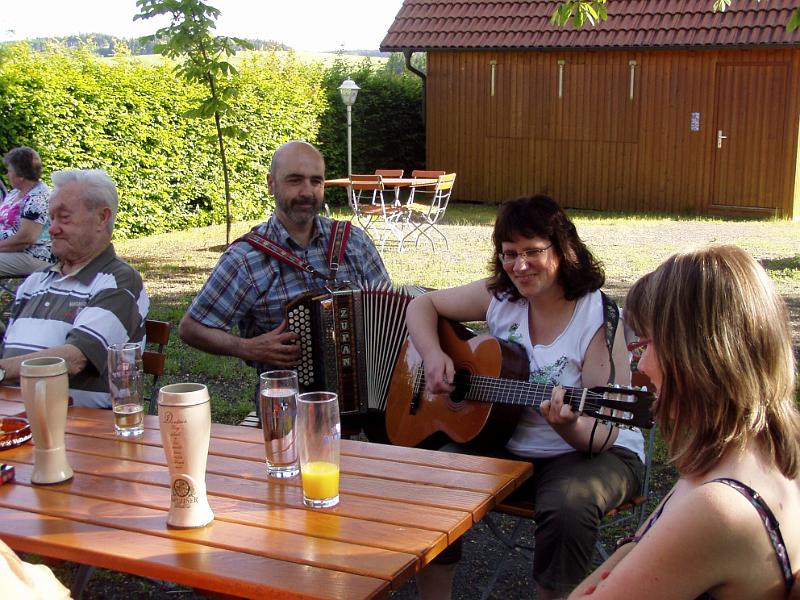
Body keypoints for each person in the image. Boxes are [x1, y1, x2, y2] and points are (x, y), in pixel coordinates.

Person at [405, 195, 645, 600]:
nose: (519, 266)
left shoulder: (597, 317)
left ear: (563, 249)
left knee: (569, 506)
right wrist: (433, 356)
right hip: (505, 443)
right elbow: (421, 304)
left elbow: (602, 432)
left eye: (532, 251)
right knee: (430, 478)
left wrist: (568, 424)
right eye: (509, 254)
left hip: (590, 454)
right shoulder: (502, 295)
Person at [570, 245, 800, 600]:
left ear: (700, 355)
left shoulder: (717, 506)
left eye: (649, 345)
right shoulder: (749, 455)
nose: (642, 367)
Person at [179, 140, 390, 430]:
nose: (307, 192)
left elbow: (389, 314)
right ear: (271, 184)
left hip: (369, 396)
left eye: (316, 181)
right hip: (289, 407)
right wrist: (247, 347)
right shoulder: (246, 258)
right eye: (295, 180)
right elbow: (191, 328)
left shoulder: (353, 241)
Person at [0, 169, 149, 408]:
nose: (53, 229)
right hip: (13, 421)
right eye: (52, 218)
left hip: (75, 430)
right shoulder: (34, 282)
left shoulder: (118, 281)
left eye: (64, 218)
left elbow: (75, 358)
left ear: (102, 218)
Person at [0, 147, 55, 276]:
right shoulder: (15, 193)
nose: (6, 175)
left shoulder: (37, 198)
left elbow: (26, 238)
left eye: (9, 171)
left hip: (34, 255)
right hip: (11, 251)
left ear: (21, 176)